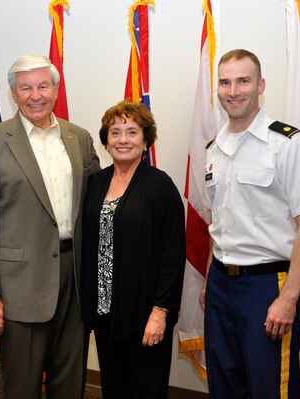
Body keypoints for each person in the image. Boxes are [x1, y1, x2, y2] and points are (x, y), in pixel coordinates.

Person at [0, 54, 100, 399]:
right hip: (18, 285)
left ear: (55, 89)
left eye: (43, 86)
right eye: (25, 88)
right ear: (14, 94)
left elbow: (94, 208)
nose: (35, 95)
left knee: (70, 383)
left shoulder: (79, 138)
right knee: (21, 388)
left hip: (74, 277)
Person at [200, 49, 300, 399]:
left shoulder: (287, 144)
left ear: (260, 85)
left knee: (270, 387)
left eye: (243, 80)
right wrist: (211, 278)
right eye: (225, 82)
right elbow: (220, 221)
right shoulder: (214, 148)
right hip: (220, 284)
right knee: (224, 385)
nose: (233, 90)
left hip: (267, 285)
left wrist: (288, 298)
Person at [81, 101, 186, 399]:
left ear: (146, 140)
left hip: (145, 314)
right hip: (105, 312)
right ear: (106, 140)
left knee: (146, 390)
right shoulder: (95, 183)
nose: (123, 139)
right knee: (113, 389)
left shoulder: (160, 186)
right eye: (115, 132)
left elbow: (173, 256)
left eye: (132, 132)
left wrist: (160, 312)